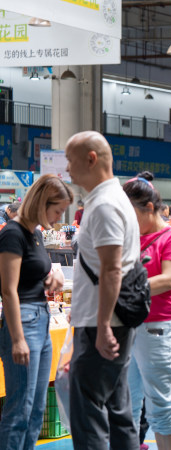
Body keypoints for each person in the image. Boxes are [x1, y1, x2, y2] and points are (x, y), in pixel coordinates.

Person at [64, 131, 141, 449]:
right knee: (117, 413)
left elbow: (112, 269)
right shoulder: (109, 200)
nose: (67, 168)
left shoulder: (105, 205)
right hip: (107, 323)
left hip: (102, 324)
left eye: (70, 160)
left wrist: (104, 325)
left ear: (91, 159)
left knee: (89, 415)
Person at [0, 174, 70, 450]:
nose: (58, 217)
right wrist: (17, 338)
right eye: (57, 211)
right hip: (23, 322)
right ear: (42, 203)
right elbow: (8, 290)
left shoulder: (36, 234)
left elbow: (39, 273)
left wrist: (55, 280)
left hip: (41, 321)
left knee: (36, 408)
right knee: (20, 409)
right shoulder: (12, 234)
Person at [122, 172, 171, 450]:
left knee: (160, 404)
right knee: (126, 404)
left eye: (130, 214)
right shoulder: (131, 239)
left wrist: (124, 288)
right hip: (127, 326)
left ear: (149, 208)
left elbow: (169, 279)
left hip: (158, 327)